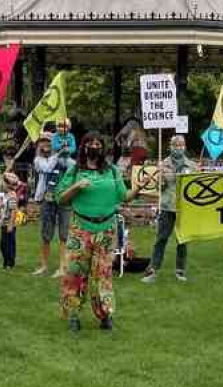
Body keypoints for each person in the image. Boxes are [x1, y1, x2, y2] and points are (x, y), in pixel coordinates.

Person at [56, 131, 140, 332]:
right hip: (80, 229)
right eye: (90, 143)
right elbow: (60, 198)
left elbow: (124, 196)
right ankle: (73, 315)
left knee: (102, 274)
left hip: (106, 229)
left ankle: (105, 314)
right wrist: (76, 186)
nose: (95, 147)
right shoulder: (75, 170)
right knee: (75, 273)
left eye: (98, 144)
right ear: (84, 146)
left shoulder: (111, 171)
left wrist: (138, 189)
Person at [140, 134, 199, 284]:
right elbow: (159, 188)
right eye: (175, 145)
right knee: (161, 239)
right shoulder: (163, 164)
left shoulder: (191, 165)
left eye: (181, 145)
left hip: (184, 207)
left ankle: (180, 270)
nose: (178, 147)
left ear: (185, 147)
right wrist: (160, 180)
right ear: (170, 147)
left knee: (182, 240)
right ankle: (153, 270)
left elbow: (196, 187)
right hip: (167, 206)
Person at [31, 132, 73, 277]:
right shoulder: (38, 160)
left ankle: (63, 266)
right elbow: (47, 167)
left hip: (64, 198)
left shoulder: (64, 158)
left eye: (48, 141)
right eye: (42, 141)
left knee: (64, 234)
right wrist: (58, 154)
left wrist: (64, 153)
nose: (45, 144)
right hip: (47, 198)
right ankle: (44, 266)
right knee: (46, 234)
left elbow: (72, 166)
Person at [0, 171, 20, 270]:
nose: (1, 184)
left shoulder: (12, 196)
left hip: (8, 225)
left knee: (9, 245)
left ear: (8, 184)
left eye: (3, 182)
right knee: (3, 245)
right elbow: (3, 206)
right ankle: (5, 261)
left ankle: (10, 263)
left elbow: (13, 211)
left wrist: (11, 225)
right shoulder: (6, 195)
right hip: (4, 224)